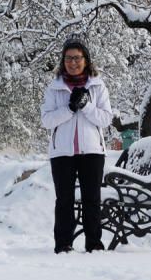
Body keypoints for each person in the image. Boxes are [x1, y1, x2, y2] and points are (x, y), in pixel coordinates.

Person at [40, 37, 113, 253]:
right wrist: (70, 109)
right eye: (68, 58)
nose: (73, 62)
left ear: (86, 60)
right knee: (64, 200)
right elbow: (46, 120)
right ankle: (63, 244)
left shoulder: (98, 86)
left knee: (92, 199)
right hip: (62, 152)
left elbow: (106, 119)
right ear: (63, 61)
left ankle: (94, 244)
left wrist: (87, 106)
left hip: (91, 151)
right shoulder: (54, 89)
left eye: (77, 58)